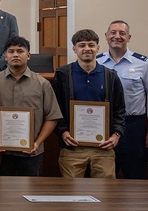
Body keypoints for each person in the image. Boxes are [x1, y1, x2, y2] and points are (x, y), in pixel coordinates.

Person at [0, 36, 62, 211]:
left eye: (20, 50)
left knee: (29, 194)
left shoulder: (42, 83)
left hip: (31, 152)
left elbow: (52, 117)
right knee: (4, 195)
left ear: (28, 55)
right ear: (5, 56)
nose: (15, 54)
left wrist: (37, 143)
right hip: (2, 152)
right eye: (11, 51)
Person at [97, 20, 148, 211]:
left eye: (122, 33)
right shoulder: (96, 61)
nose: (117, 36)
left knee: (135, 183)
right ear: (106, 36)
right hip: (101, 127)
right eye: (113, 32)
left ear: (129, 38)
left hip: (133, 127)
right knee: (104, 182)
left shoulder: (143, 64)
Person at [51, 29, 126, 180]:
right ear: (74, 49)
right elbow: (55, 109)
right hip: (72, 147)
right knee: (72, 194)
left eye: (91, 45)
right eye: (81, 45)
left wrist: (116, 135)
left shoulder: (110, 76)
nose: (87, 49)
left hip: (103, 147)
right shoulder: (63, 75)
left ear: (98, 48)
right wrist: (63, 132)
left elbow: (120, 110)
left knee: (105, 194)